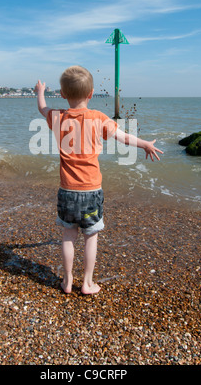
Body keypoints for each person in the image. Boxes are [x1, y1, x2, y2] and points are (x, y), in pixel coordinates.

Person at [35, 65, 163, 295]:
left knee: (68, 235)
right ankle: (87, 283)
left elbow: (42, 108)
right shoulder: (98, 118)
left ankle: (66, 281)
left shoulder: (58, 117)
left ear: (63, 94)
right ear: (91, 93)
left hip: (67, 189)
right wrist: (145, 144)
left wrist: (40, 91)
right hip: (91, 190)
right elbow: (123, 138)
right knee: (90, 236)